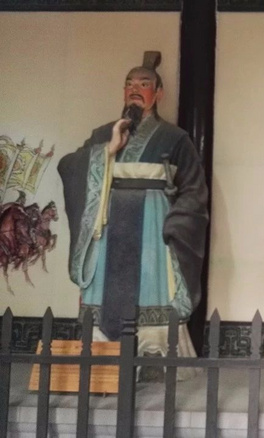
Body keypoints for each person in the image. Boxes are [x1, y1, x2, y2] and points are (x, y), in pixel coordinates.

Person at [58, 51, 209, 371]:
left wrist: (175, 224)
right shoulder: (103, 134)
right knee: (105, 291)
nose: (135, 90)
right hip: (109, 223)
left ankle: (153, 358)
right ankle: (102, 360)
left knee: (153, 288)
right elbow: (69, 166)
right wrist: (107, 150)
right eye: (129, 84)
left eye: (144, 83)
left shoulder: (175, 138)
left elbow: (194, 190)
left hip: (153, 227)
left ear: (159, 93)